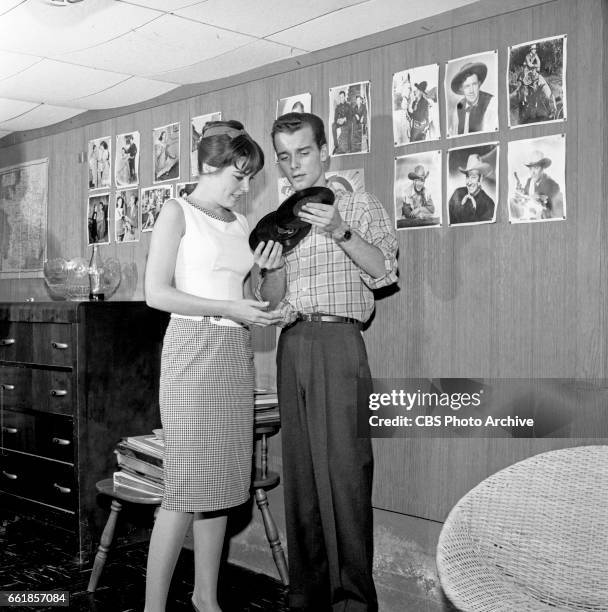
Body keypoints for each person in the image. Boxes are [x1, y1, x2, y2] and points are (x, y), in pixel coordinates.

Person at [259, 112, 398, 611]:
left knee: (345, 476)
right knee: (300, 479)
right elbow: (273, 303)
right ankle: (308, 598)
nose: (294, 165)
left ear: (324, 152)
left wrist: (340, 229)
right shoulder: (282, 217)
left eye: (303, 152)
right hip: (292, 345)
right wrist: (270, 271)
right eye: (284, 156)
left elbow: (384, 272)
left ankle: (354, 603)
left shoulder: (359, 205)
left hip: (340, 344)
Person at [144, 120, 283, 612]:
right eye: (238, 177)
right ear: (209, 167)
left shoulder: (242, 225)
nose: (245, 189)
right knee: (183, 486)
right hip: (191, 351)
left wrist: (266, 276)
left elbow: (246, 297)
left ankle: (207, 598)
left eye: (249, 179)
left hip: (233, 355)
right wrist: (230, 309)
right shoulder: (175, 212)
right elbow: (156, 293)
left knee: (221, 484)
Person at [450, 61, 497, 135]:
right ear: (461, 89)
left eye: (474, 84)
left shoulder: (491, 103)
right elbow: (454, 136)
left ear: (479, 84)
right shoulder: (458, 107)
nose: (471, 91)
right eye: (467, 86)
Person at [448, 153, 495, 224]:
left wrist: (473, 210)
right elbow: (448, 220)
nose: (469, 183)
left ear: (480, 179)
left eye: (473, 177)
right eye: (467, 176)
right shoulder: (457, 194)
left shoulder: (488, 204)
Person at [522, 150, 563, 218]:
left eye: (536, 168)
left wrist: (540, 201)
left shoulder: (553, 185)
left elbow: (557, 213)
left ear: (543, 168)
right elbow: (525, 198)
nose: (532, 172)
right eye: (530, 169)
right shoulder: (529, 182)